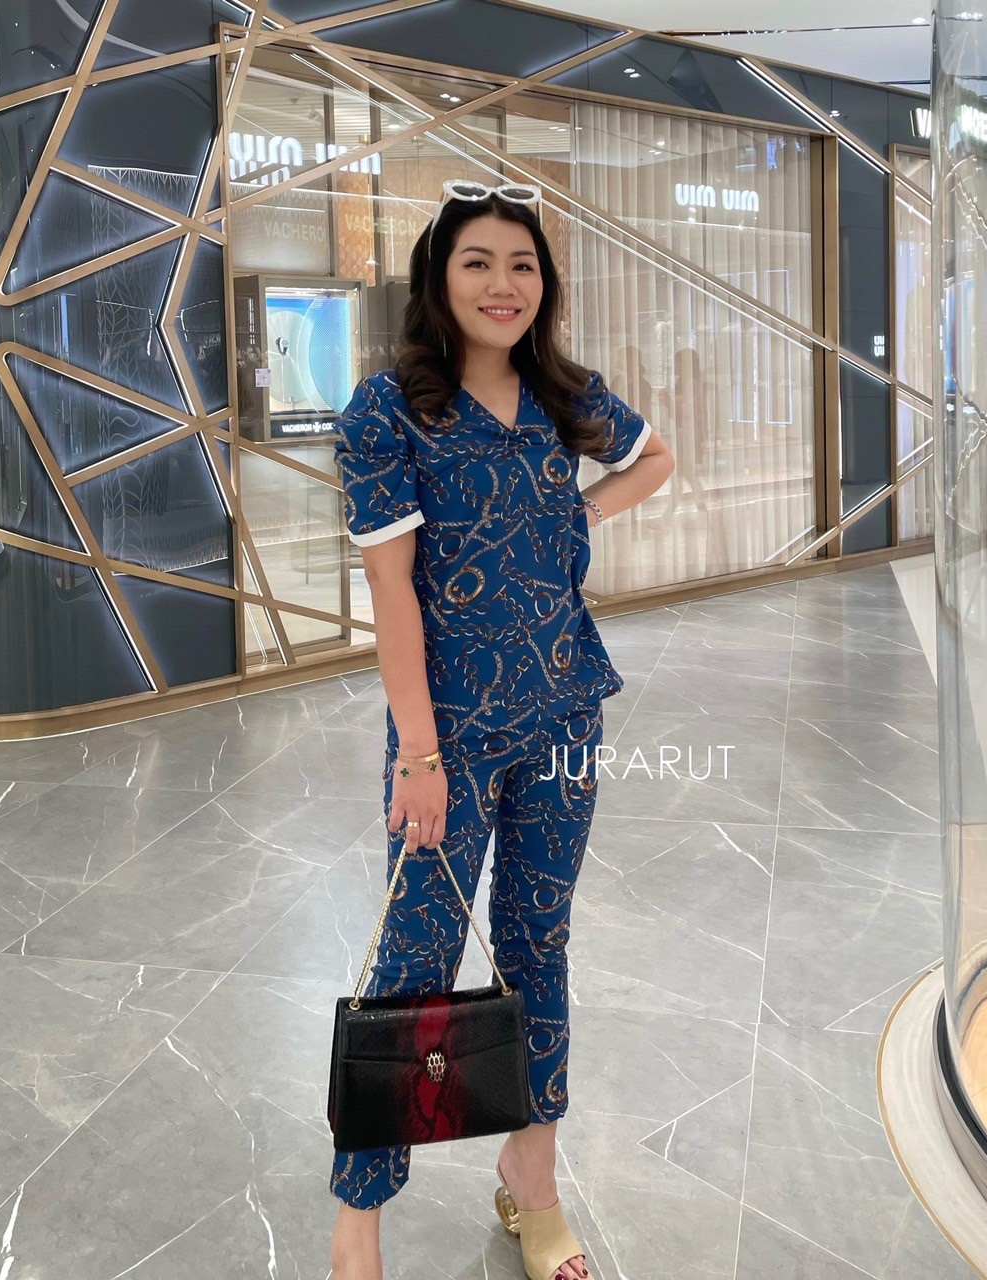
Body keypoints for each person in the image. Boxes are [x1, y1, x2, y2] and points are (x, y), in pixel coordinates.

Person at [328, 180, 675, 1280]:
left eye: (522, 264)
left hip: (564, 710)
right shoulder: (388, 411)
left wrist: (584, 507)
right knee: (415, 956)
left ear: (543, 284)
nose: (502, 284)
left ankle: (533, 1181)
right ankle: (358, 1220)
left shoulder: (563, 395)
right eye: (477, 261)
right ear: (438, 279)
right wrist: (419, 754)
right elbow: (391, 596)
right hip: (450, 735)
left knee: (539, 943)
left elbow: (654, 457)